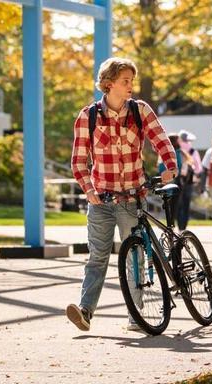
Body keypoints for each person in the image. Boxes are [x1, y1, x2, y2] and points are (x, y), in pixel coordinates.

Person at [66, 57, 177, 332]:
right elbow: (79, 162)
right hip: (101, 200)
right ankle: (85, 312)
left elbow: (161, 140)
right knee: (97, 258)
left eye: (132, 81)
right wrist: (89, 191)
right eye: (125, 81)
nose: (130, 86)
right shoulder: (88, 117)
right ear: (108, 84)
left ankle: (136, 315)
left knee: (135, 257)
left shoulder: (140, 111)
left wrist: (170, 166)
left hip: (132, 198)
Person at [175, 130, 203, 230]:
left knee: (178, 204)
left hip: (178, 181)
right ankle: (184, 227)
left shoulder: (177, 149)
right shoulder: (193, 151)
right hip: (189, 181)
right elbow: (199, 168)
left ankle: (179, 226)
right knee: (186, 205)